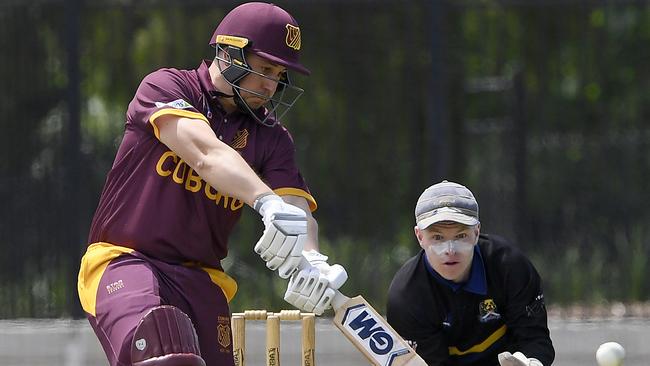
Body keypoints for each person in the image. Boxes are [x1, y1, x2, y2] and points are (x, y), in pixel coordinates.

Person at [76, 3, 346, 366]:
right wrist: (265, 202)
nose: (271, 85)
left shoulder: (271, 138)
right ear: (230, 52)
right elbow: (205, 154)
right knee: (163, 345)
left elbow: (295, 206)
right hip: (127, 262)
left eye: (279, 73)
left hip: (202, 280)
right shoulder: (167, 86)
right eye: (265, 68)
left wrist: (311, 257)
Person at [387, 180, 554, 366]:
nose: (450, 250)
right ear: (420, 237)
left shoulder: (510, 267)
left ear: (476, 232)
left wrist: (531, 362)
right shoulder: (406, 297)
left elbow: (534, 339)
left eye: (460, 236)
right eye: (437, 237)